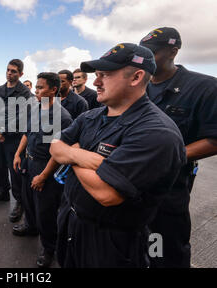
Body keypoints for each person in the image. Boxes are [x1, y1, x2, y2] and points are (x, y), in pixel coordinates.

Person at [50, 43, 186, 268]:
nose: (95, 82)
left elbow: (106, 192)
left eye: (105, 75)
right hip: (71, 221)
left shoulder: (156, 132)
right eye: (97, 75)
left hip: (110, 241)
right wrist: (83, 156)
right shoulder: (92, 115)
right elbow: (55, 147)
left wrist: (71, 153)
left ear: (136, 77)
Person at [139, 27, 217, 268]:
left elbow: (214, 139)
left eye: (152, 52)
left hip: (169, 187)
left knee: (165, 249)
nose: (145, 58)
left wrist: (169, 156)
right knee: (140, 244)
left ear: (173, 51)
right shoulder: (138, 86)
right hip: (133, 182)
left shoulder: (203, 87)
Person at [13, 72, 73, 268]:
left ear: (53, 90)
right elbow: (27, 133)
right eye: (36, 87)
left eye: (40, 88)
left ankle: (49, 248)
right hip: (29, 161)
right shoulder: (36, 108)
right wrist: (18, 154)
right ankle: (30, 227)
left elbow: (58, 153)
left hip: (45, 166)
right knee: (28, 200)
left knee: (45, 210)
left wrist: (43, 176)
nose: (35, 91)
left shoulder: (60, 116)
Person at [0, 59, 32, 224]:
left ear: (20, 74)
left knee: (15, 172)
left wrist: (3, 131)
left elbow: (23, 118)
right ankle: (3, 192)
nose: (9, 73)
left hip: (14, 139)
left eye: (13, 71)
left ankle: (19, 202)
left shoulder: (25, 93)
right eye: (8, 70)